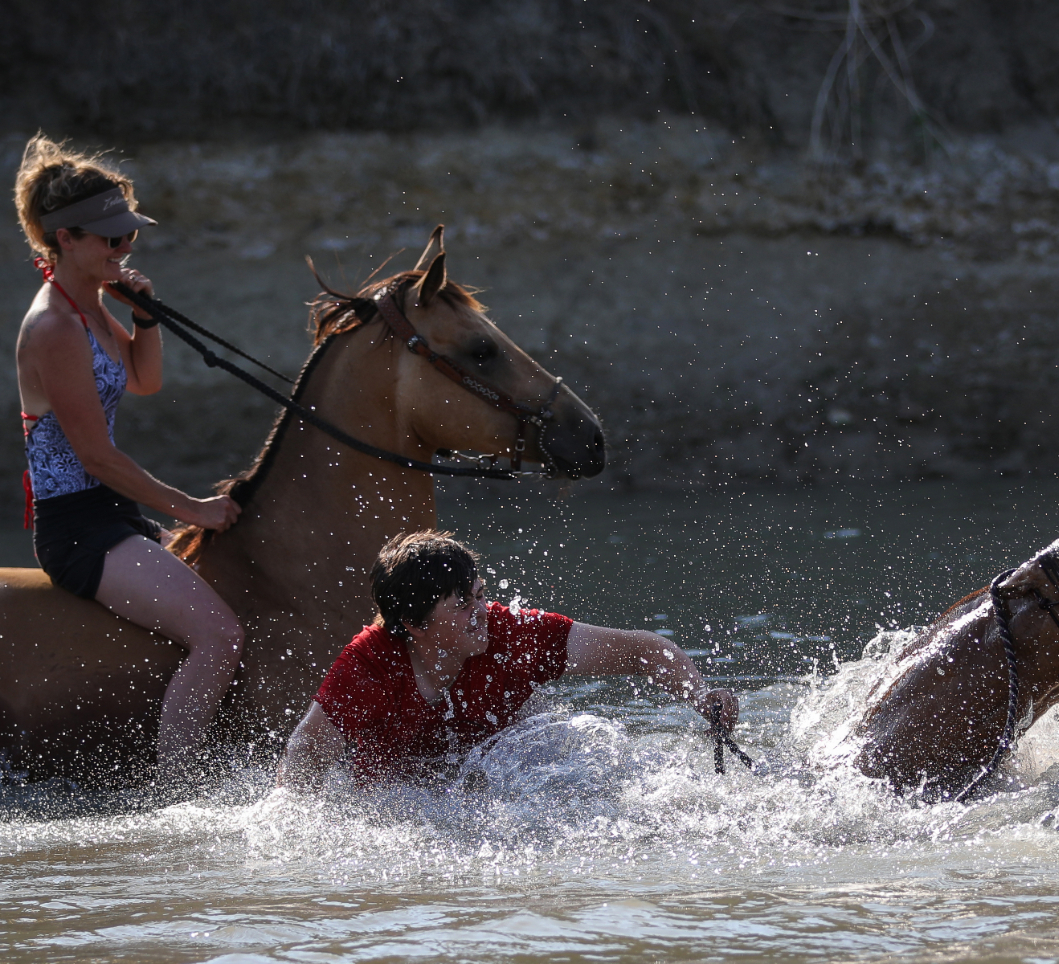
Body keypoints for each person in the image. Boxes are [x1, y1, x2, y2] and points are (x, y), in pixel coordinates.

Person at [13, 135, 244, 775]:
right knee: (220, 638)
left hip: (110, 512)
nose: (124, 248)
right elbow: (98, 458)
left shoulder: (88, 308)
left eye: (129, 237)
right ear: (65, 240)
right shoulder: (55, 327)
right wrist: (193, 508)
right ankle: (178, 793)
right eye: (111, 240)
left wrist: (145, 316)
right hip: (79, 527)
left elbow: (143, 380)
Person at [277, 530, 739, 787]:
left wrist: (701, 696)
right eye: (461, 606)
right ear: (414, 626)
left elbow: (643, 649)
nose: (481, 614)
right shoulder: (367, 667)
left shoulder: (512, 632)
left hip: (515, 770)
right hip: (409, 795)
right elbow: (302, 762)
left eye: (479, 596)